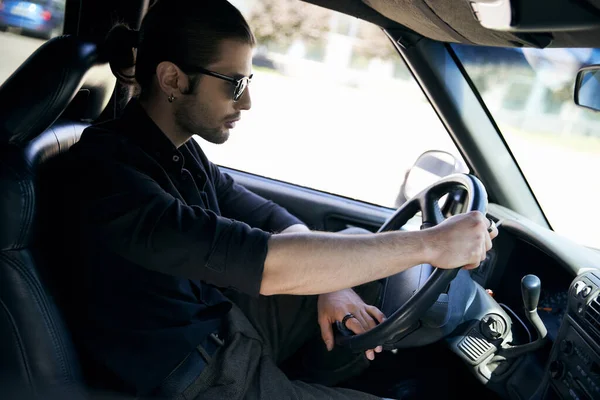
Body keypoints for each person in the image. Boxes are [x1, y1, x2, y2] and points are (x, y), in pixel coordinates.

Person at [64, 1, 499, 399]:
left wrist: (333, 286)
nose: (248, 101)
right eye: (234, 84)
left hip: (219, 325)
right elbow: (265, 262)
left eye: (247, 81)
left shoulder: (175, 151)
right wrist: (430, 244)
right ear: (173, 79)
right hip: (194, 379)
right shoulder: (110, 176)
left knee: (353, 256)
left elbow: (269, 216)